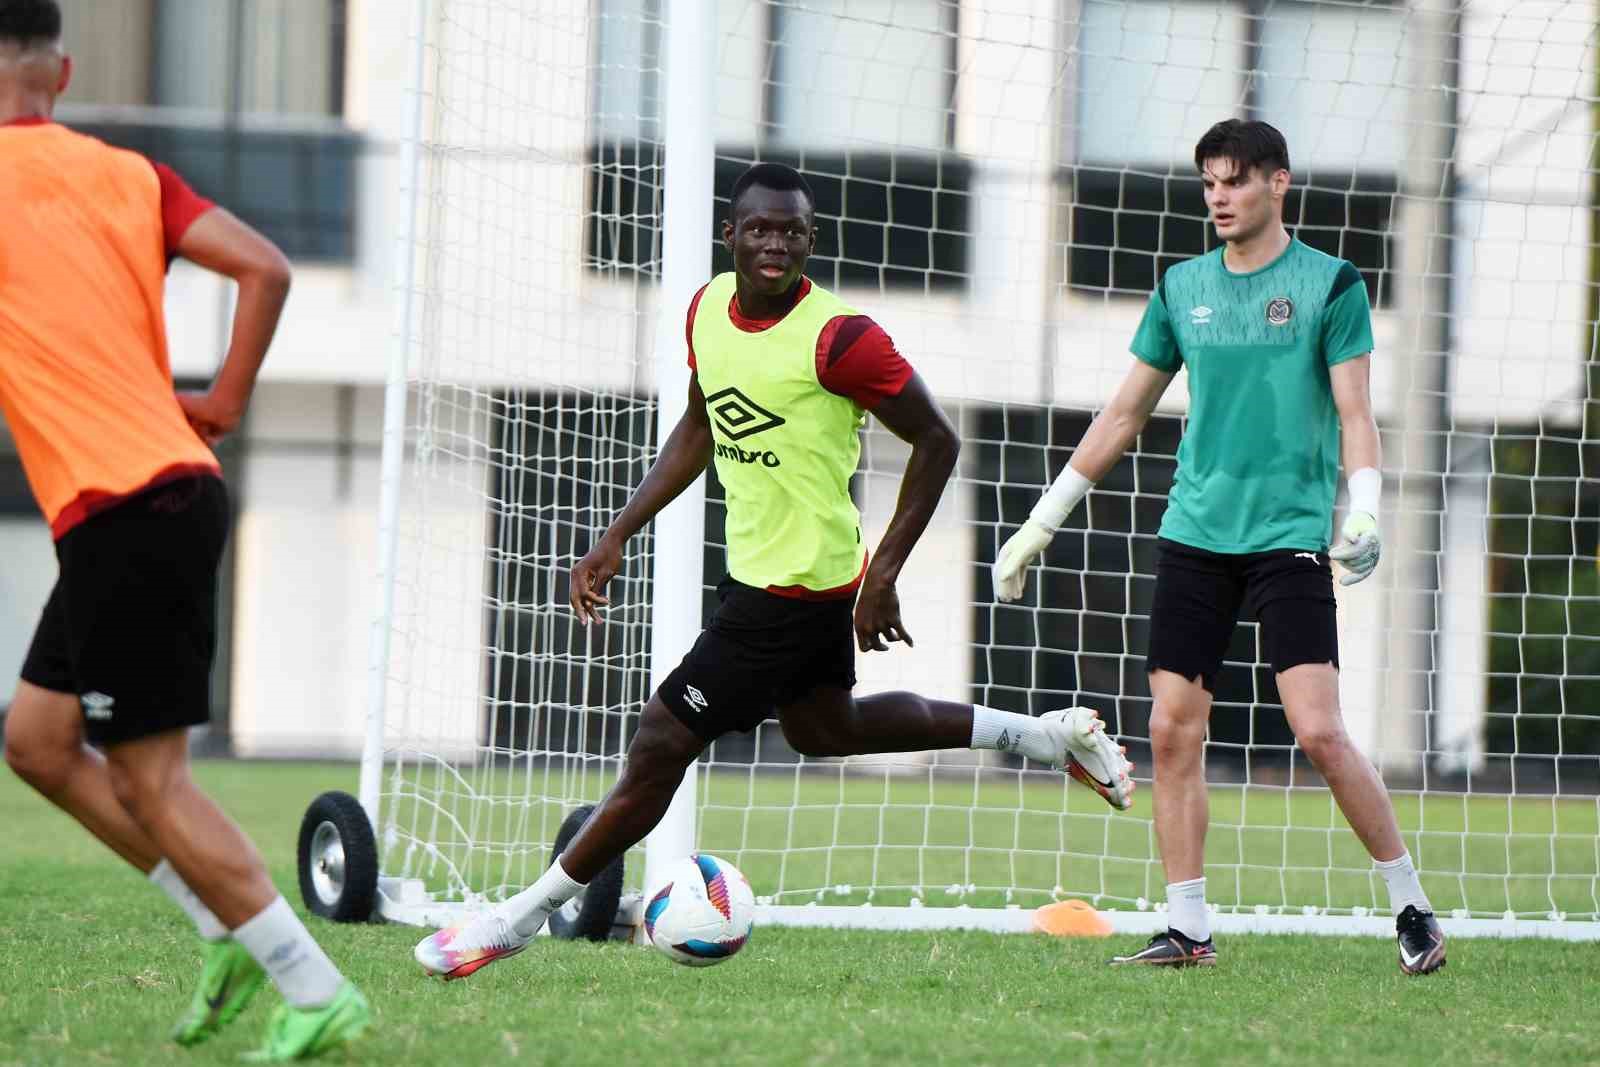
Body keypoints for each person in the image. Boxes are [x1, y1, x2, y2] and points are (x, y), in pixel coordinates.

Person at [413, 161, 1136, 978]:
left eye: (791, 231)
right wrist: (618, 532)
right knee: (824, 728)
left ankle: (514, 920)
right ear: (731, 234)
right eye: (759, 228)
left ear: (811, 240)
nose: (774, 244)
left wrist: (884, 574)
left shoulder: (842, 338)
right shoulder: (706, 312)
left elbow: (938, 438)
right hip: (764, 575)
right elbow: (700, 422)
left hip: (791, 591)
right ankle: (1041, 736)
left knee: (659, 742)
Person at [0, 1, 371, 1057]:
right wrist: (228, 397)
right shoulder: (128, 173)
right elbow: (266, 266)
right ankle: (225, 922)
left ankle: (310, 980)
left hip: (127, 511)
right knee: (36, 742)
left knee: (150, 779)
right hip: (159, 489)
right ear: (63, 75)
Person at [993, 119, 1444, 975]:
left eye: (1234, 181)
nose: (1219, 197)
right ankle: (1187, 926)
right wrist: (1043, 518)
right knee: (1171, 728)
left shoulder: (1331, 284)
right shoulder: (1182, 287)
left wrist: (1368, 508)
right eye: (1208, 183)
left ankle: (1411, 905)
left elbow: (1356, 414)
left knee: (1318, 731)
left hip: (1288, 538)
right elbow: (1123, 413)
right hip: (1196, 533)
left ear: (1279, 182)